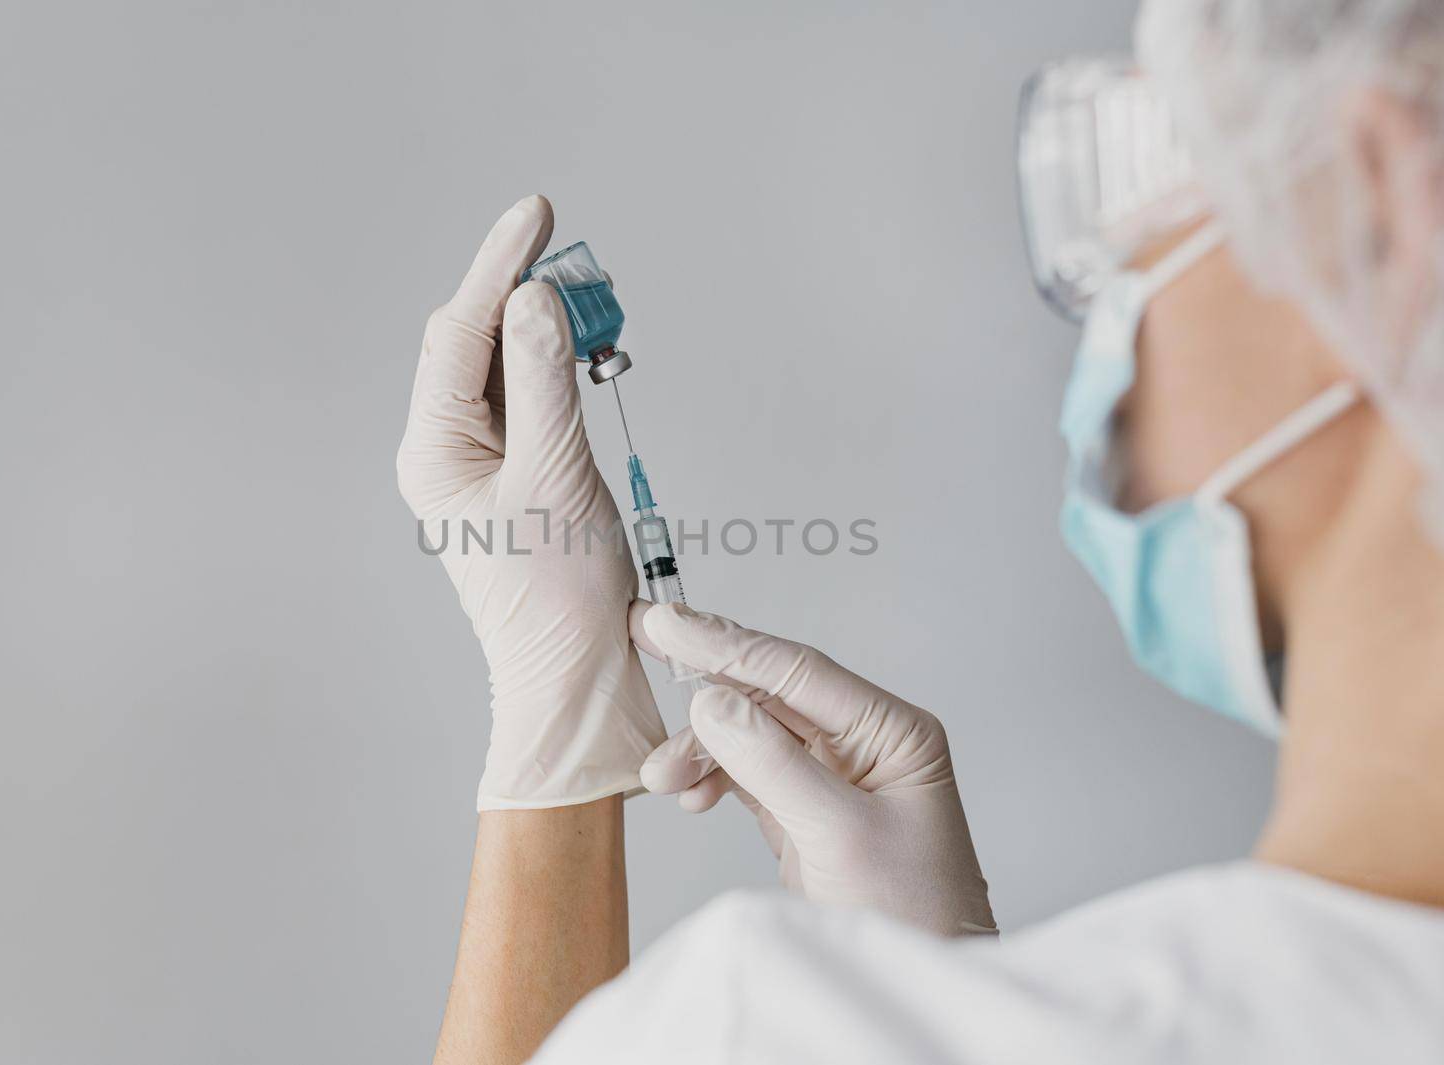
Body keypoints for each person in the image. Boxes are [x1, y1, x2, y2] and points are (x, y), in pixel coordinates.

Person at [397, 2, 1444, 1062]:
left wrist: (556, 750)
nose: (1110, 304)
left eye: (1144, 176)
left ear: (1381, 201)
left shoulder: (762, 1023)